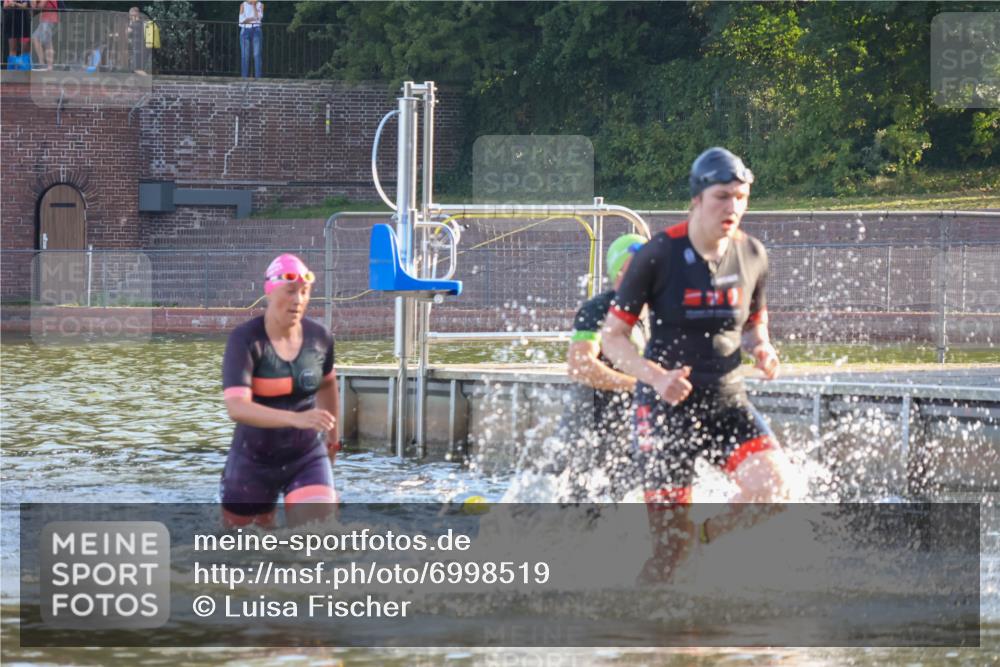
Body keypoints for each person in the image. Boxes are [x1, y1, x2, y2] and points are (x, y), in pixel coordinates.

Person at [601, 147, 793, 582]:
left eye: (741, 198)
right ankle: (637, 612)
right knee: (669, 555)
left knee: (775, 490)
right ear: (696, 200)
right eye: (722, 197)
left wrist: (763, 349)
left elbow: (754, 324)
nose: (732, 208)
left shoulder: (752, 254)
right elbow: (613, 338)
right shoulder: (659, 254)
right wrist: (655, 377)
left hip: (726, 402)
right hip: (665, 410)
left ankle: (705, 534)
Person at [220, 253, 340, 528]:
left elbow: (327, 384)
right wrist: (296, 418)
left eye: (304, 292)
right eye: (290, 291)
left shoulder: (319, 338)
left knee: (320, 536)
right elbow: (236, 408)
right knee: (243, 546)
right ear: (270, 292)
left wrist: (333, 441)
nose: (298, 300)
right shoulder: (246, 339)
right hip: (252, 461)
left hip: (306, 455)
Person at [562, 233, 647, 501]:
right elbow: (580, 366)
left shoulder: (661, 314)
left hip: (635, 427)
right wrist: (639, 386)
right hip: (592, 427)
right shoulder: (598, 310)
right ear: (617, 275)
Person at [30, 0, 57, 70]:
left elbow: (40, 6)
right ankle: (42, 63)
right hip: (44, 19)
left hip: (49, 18)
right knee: (35, 38)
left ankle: (49, 66)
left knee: (47, 42)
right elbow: (33, 6)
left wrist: (35, 2)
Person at [238, 0, 262, 78]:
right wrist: (253, 19)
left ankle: (258, 77)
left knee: (257, 54)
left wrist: (254, 6)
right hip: (245, 30)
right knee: (245, 55)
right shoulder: (243, 5)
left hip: (256, 29)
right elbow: (241, 21)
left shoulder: (260, 4)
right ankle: (244, 77)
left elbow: (259, 18)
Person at [125, 6, 145, 74]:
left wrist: (131, 23)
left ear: (135, 14)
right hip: (139, 48)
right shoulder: (141, 23)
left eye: (131, 15)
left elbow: (127, 32)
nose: (130, 17)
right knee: (136, 69)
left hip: (137, 48)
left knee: (136, 69)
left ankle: (147, 79)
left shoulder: (135, 24)